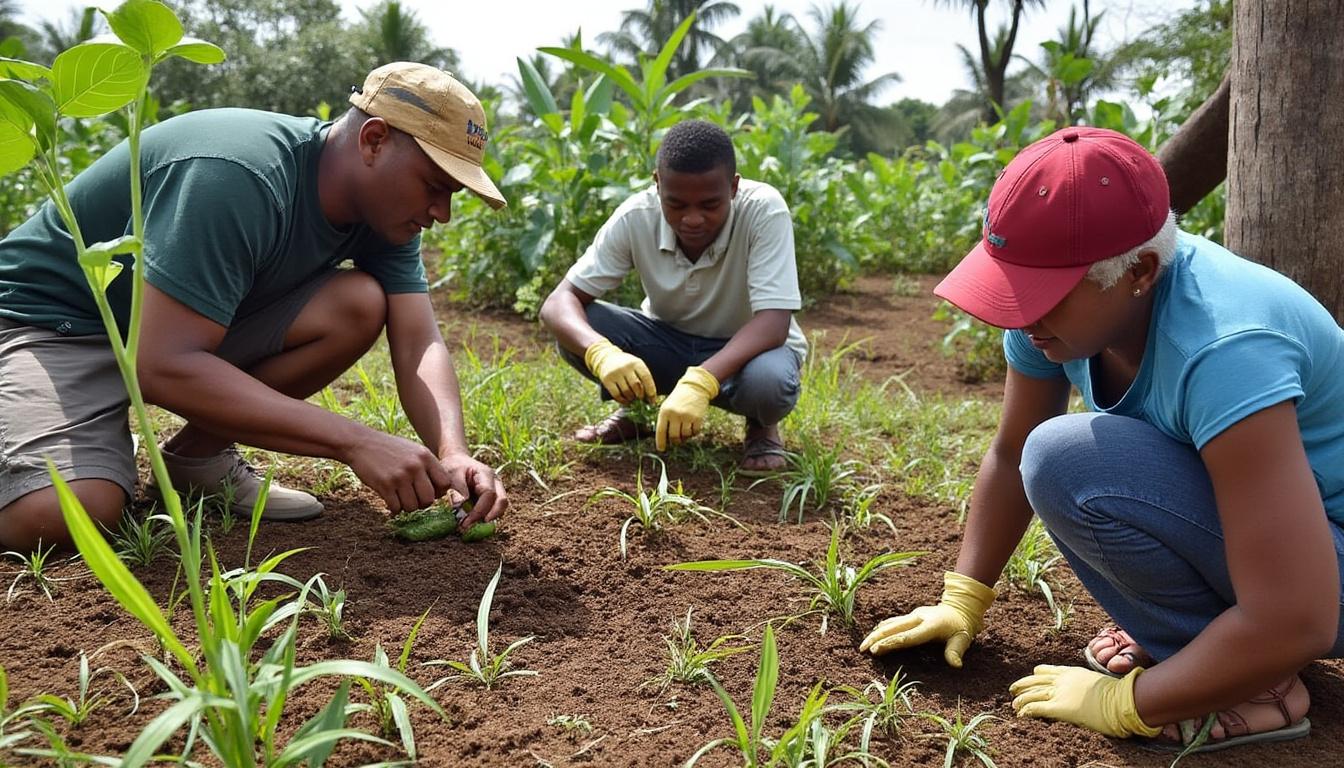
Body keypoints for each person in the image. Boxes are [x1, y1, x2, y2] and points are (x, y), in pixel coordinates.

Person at [860, 127, 1344, 753]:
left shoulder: (1226, 348)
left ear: (1139, 272)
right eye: (1012, 285)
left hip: (1321, 579)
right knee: (1055, 457)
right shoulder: (1057, 315)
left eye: (1044, 294)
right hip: (1284, 548)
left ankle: (1256, 689)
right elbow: (1010, 453)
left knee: (1069, 458)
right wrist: (962, 598)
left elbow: (1300, 616)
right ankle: (1209, 646)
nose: (1021, 315)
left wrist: (1130, 704)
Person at [0, 62, 510, 551]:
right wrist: (355, 441)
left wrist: (453, 451)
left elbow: (419, 340)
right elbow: (162, 367)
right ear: (373, 140)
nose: (442, 213)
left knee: (357, 305)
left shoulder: (384, 213)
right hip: (49, 325)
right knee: (62, 514)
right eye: (435, 186)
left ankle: (195, 462)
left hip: (161, 327)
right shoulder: (238, 173)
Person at [538, 119, 807, 472]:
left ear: (733, 187)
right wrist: (602, 353)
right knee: (580, 328)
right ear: (657, 183)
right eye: (676, 204)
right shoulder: (637, 216)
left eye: (709, 205)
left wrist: (702, 381)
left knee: (769, 383)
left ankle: (761, 425)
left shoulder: (764, 210)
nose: (692, 219)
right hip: (666, 343)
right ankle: (638, 410)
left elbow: (773, 323)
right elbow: (558, 302)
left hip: (746, 355)